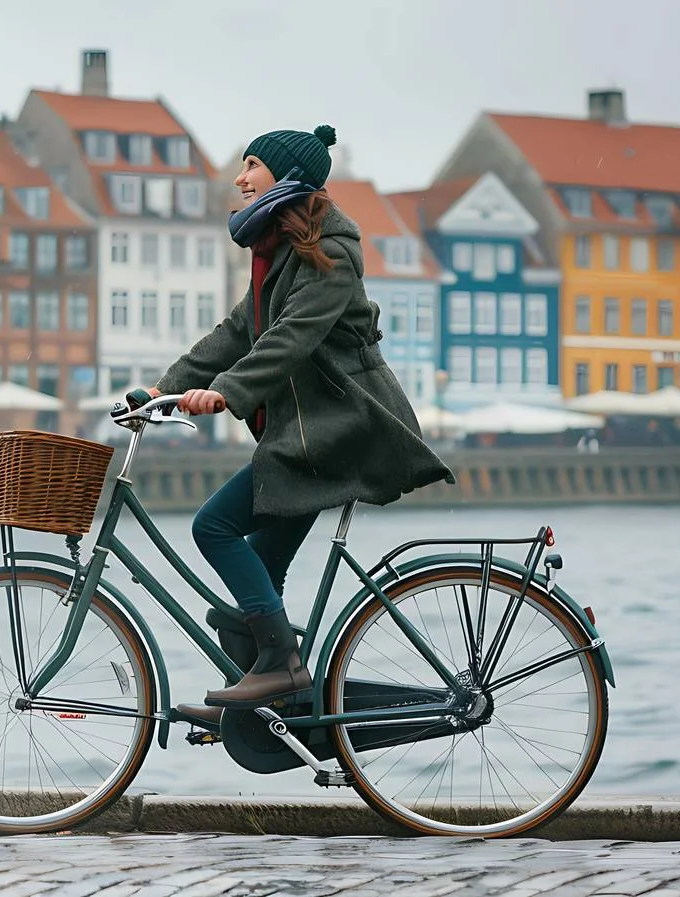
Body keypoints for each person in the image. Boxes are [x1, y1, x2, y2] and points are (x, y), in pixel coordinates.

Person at [129, 124, 455, 724]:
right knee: (252, 589)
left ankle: (281, 665)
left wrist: (224, 394)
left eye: (251, 165)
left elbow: (290, 339)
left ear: (286, 177)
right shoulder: (278, 253)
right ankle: (261, 710)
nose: (239, 177)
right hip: (306, 436)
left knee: (215, 528)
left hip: (338, 431)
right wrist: (164, 388)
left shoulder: (332, 255)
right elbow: (236, 332)